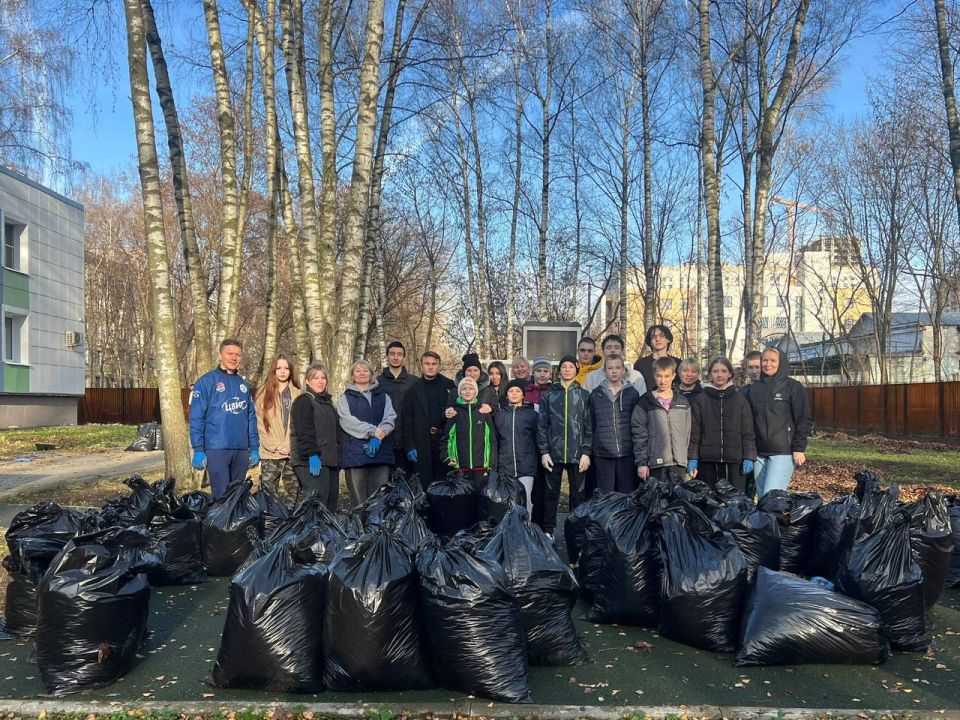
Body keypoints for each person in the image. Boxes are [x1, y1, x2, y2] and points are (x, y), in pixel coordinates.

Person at [189, 338, 260, 498]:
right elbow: (196, 417)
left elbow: (250, 418)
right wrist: (198, 449)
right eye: (230, 354)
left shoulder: (243, 385)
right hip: (217, 449)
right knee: (221, 496)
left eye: (238, 355)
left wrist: (254, 447)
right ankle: (219, 524)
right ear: (221, 355)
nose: (234, 358)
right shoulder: (206, 382)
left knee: (237, 497)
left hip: (241, 450)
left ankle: (235, 523)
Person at [742, 347, 813, 497]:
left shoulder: (793, 387)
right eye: (765, 360)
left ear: (781, 362)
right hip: (759, 454)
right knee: (763, 499)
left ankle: (778, 520)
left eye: (773, 360)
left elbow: (804, 419)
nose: (768, 364)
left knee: (772, 497)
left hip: (783, 453)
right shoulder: (753, 389)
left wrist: (799, 448)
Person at [537, 355, 592, 538]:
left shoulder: (584, 395)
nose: (567, 369)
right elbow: (542, 425)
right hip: (554, 453)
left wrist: (586, 452)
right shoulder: (549, 395)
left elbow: (589, 426)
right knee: (551, 493)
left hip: (578, 454)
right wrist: (544, 452)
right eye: (564, 366)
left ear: (576, 369)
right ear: (559, 370)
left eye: (570, 366)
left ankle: (576, 532)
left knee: (578, 495)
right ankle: (548, 531)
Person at [687, 357, 757, 492]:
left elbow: (748, 431)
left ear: (730, 374)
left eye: (724, 371)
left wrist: (749, 456)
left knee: (735, 505)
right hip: (707, 461)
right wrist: (693, 458)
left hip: (735, 462)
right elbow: (695, 432)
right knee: (710, 504)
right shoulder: (701, 399)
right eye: (715, 371)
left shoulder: (740, 400)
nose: (719, 375)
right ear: (710, 374)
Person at [337, 359, 396, 507]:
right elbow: (347, 421)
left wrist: (379, 437)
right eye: (358, 370)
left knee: (379, 498)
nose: (362, 373)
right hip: (355, 455)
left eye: (365, 370)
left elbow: (390, 418)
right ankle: (360, 529)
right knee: (359, 501)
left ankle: (376, 529)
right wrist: (372, 431)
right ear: (352, 375)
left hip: (381, 452)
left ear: (371, 374)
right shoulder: (345, 399)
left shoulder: (383, 397)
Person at [632, 356, 692, 483]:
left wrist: (689, 460)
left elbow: (688, 433)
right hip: (655, 463)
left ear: (673, 376)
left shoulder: (683, 402)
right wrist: (642, 463)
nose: (663, 381)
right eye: (659, 376)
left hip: (679, 464)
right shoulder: (645, 402)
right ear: (654, 375)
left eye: (666, 376)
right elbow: (639, 435)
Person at [289, 363, 340, 511]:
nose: (320, 381)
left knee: (330, 504)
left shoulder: (328, 403)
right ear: (307, 381)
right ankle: (311, 534)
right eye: (315, 378)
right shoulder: (304, 401)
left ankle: (327, 534)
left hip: (330, 461)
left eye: (323, 378)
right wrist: (312, 454)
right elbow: (304, 431)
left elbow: (335, 432)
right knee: (316, 504)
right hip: (311, 461)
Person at [401, 351, 456, 487]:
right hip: (422, 442)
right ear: (421, 366)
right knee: (424, 483)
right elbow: (407, 420)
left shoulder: (450, 386)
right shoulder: (413, 390)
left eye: (434, 364)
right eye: (427, 363)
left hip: (445, 441)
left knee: (444, 483)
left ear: (438, 365)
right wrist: (410, 446)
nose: (430, 367)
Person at [590, 354, 641, 494]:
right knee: (605, 496)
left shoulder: (632, 393)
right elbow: (591, 423)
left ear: (623, 370)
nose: (614, 371)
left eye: (618, 367)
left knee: (627, 494)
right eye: (610, 368)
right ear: (605, 371)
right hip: (603, 453)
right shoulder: (596, 394)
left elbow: (637, 424)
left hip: (627, 452)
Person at [255, 353, 301, 503]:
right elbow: (260, 424)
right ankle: (270, 523)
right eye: (279, 368)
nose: (282, 371)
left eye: (286, 368)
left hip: (291, 453)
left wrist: (288, 445)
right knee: (268, 493)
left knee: (294, 492)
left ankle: (289, 522)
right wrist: (275, 446)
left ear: (291, 371)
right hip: (270, 453)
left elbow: (301, 424)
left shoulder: (298, 393)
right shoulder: (263, 392)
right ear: (273, 370)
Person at [442, 377, 496, 489]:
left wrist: (492, 463)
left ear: (476, 392)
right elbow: (446, 438)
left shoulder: (483, 411)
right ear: (459, 392)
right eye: (464, 389)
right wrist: (446, 456)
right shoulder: (454, 412)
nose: (467, 391)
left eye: (471, 388)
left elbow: (491, 439)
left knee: (481, 500)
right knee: (463, 501)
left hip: (481, 467)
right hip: (460, 466)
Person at [493, 379, 538, 513]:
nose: (514, 394)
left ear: (523, 395)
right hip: (506, 467)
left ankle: (527, 530)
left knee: (527, 500)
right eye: (511, 391)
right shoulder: (500, 416)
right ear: (506, 395)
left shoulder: (532, 415)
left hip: (526, 466)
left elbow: (538, 439)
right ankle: (509, 531)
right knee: (508, 501)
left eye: (518, 391)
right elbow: (496, 440)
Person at [379, 340, 415, 471]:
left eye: (399, 354)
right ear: (387, 356)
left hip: (407, 443)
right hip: (383, 441)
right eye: (392, 354)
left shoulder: (413, 382)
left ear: (404, 357)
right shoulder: (378, 382)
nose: (395, 357)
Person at [634, 325, 681, 391]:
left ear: (668, 339)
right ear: (650, 341)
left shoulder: (678, 364)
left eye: (661, 336)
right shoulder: (640, 364)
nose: (657, 339)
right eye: (653, 337)